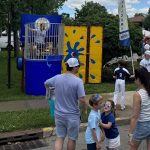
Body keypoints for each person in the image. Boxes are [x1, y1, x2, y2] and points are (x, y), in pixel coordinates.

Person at [44, 57, 87, 150]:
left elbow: (46, 83)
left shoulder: (57, 78)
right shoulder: (78, 81)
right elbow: (82, 100)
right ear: (74, 67)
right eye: (78, 66)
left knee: (60, 138)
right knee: (71, 139)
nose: (78, 68)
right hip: (72, 116)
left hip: (59, 114)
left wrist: (51, 92)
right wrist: (84, 110)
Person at [128, 67, 150, 150]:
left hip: (143, 125)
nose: (134, 80)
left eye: (135, 78)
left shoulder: (138, 95)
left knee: (132, 148)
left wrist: (130, 133)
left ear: (139, 79)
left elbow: (135, 117)